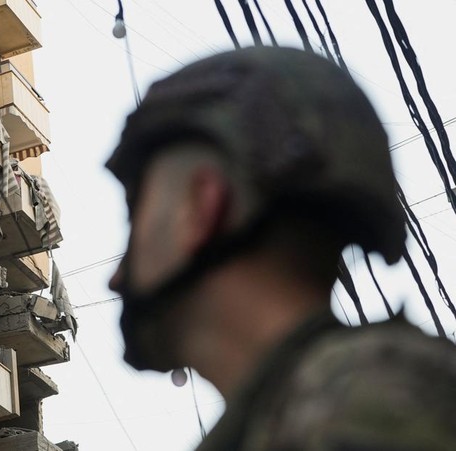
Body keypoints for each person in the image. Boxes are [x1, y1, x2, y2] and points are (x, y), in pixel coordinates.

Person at [105, 47, 456, 450]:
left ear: (203, 207)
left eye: (136, 214)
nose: (115, 277)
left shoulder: (369, 408)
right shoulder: (308, 411)